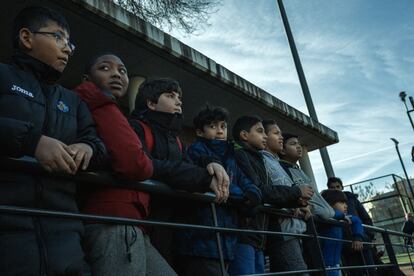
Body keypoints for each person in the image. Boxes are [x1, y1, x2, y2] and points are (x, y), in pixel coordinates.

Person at [0, 7, 107, 275]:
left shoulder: (73, 101)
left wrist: (89, 147)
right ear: (27, 38)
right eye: (58, 37)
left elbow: (101, 148)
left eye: (69, 42)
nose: (68, 49)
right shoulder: (2, 76)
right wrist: (32, 142)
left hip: (66, 239)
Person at [74, 53, 177, 275]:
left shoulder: (109, 109)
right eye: (105, 68)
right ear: (86, 79)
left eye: (122, 70)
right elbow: (136, 164)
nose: (116, 74)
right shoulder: (94, 104)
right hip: (112, 223)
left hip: (133, 224)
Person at [130, 78, 230, 265]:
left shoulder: (176, 140)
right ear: (151, 103)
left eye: (179, 97)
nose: (179, 101)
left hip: (173, 225)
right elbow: (148, 165)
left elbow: (190, 165)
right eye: (170, 96)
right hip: (144, 220)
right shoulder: (136, 128)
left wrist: (211, 162)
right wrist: (204, 178)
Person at [175, 105, 262, 276]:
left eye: (223, 126)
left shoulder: (232, 156)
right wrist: (242, 196)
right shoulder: (195, 151)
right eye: (213, 126)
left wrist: (252, 194)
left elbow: (246, 182)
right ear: (200, 132)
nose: (220, 131)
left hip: (226, 239)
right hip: (200, 239)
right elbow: (221, 184)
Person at [228, 115, 310, 275]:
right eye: (260, 131)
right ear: (244, 135)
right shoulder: (241, 156)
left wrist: (296, 202)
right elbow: (260, 189)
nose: (265, 136)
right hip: (247, 231)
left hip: (260, 234)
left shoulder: (256, 157)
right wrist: (296, 193)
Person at [261, 121, 314, 275]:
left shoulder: (276, 162)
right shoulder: (262, 160)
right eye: (276, 133)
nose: (281, 137)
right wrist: (296, 197)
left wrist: (299, 203)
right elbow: (270, 191)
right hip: (281, 231)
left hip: (293, 229)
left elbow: (288, 191)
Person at [327, 177, 377, 276]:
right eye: (332, 187)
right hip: (345, 246)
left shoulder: (352, 199)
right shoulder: (328, 203)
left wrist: (366, 237)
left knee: (371, 271)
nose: (336, 189)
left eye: (338, 186)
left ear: (342, 187)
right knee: (354, 272)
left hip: (362, 242)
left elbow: (365, 218)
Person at [278, 133, 335, 220]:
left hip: (328, 215)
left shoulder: (299, 170)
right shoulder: (282, 169)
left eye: (299, 144)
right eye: (293, 144)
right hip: (314, 219)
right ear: (282, 150)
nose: (298, 146)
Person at [320, 189, 364, 276]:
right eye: (341, 203)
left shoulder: (343, 217)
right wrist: (342, 216)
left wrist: (357, 237)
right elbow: (326, 213)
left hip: (336, 265)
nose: (346, 206)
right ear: (329, 203)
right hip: (322, 266)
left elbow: (357, 220)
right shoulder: (323, 216)